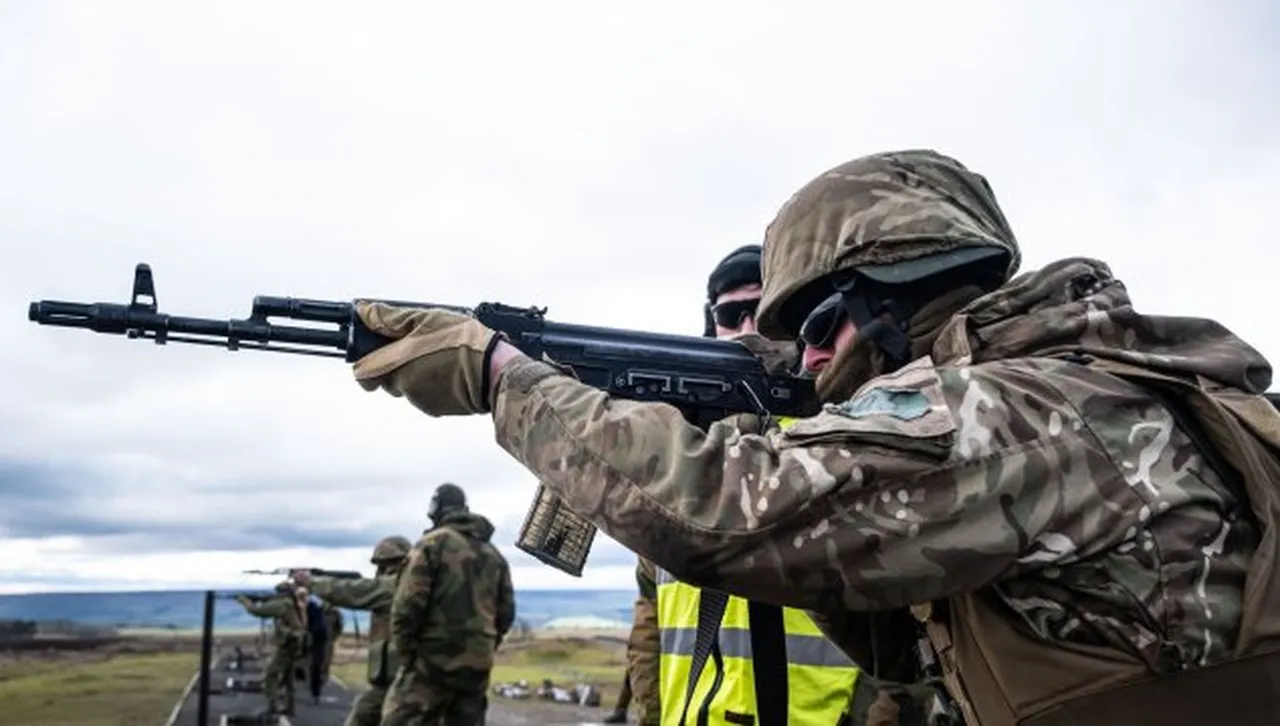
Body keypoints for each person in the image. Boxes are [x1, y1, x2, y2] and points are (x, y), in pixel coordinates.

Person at [348, 148, 1280, 725]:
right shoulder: (1086, 386)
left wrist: (500, 375)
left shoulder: (1016, 410)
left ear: (900, 298)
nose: (808, 356)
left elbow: (722, 513)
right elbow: (901, 645)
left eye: (819, 324)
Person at [627, 244, 869, 726]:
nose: (746, 329)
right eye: (729, 315)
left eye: (759, 311)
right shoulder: (682, 455)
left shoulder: (840, 435)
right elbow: (650, 607)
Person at [381, 483, 517, 726]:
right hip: (476, 664)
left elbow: (408, 606)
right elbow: (506, 613)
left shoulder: (431, 545)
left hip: (432, 661)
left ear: (436, 508)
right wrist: (483, 646)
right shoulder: (494, 555)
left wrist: (408, 655)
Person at [293, 535, 413, 726]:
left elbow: (353, 591)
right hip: (392, 678)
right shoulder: (404, 586)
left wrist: (311, 582)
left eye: (387, 565)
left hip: (403, 678)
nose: (382, 571)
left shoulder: (400, 586)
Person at [236, 581, 306, 717]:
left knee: (271, 675)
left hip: (288, 645)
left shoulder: (282, 604)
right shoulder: (291, 603)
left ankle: (273, 707)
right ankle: (290, 708)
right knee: (288, 677)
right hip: (295, 644)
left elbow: (257, 611)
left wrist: (244, 601)